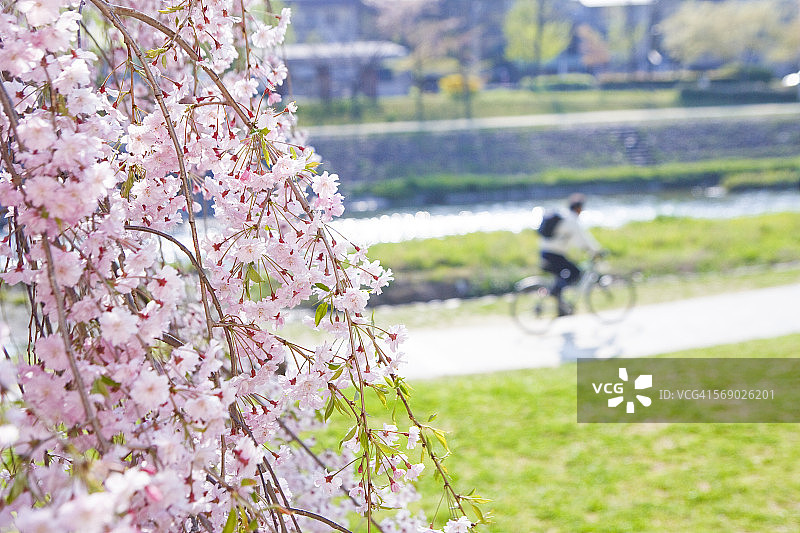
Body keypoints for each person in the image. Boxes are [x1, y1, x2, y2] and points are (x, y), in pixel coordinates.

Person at [538, 193, 603, 316]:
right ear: (579, 208)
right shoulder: (572, 220)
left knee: (561, 277)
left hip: (546, 252)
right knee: (575, 273)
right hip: (554, 254)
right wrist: (595, 251)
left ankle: (561, 310)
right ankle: (554, 292)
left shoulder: (563, 215)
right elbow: (583, 240)